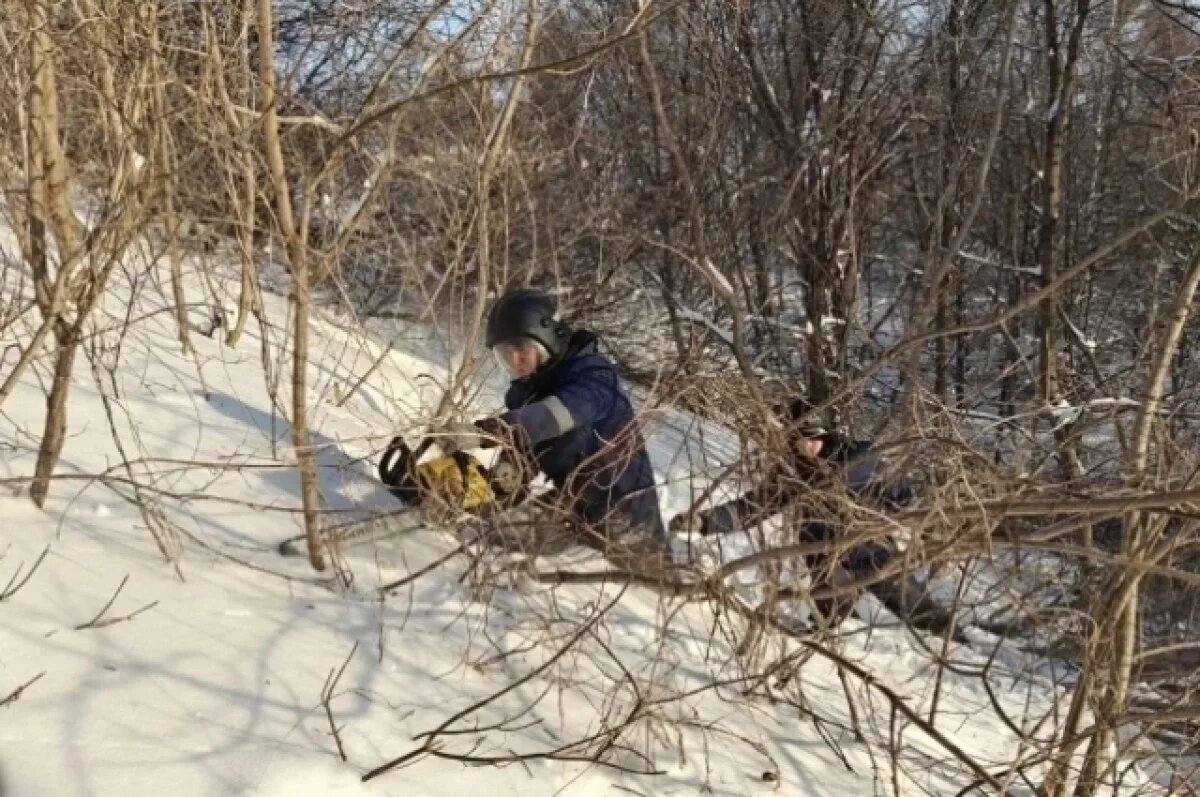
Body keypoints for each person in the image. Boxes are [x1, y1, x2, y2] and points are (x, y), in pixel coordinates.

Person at [437, 288, 666, 561]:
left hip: (629, 528)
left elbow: (563, 414)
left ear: (546, 342)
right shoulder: (529, 396)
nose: (515, 362)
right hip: (575, 515)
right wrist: (450, 483)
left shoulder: (594, 376)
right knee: (486, 533)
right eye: (504, 355)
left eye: (520, 350)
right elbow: (515, 473)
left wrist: (491, 431)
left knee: (494, 539)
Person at [671, 396, 913, 621]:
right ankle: (832, 627)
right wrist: (706, 522)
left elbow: (904, 497)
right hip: (829, 563)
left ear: (823, 435)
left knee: (915, 614)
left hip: (875, 556)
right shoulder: (797, 473)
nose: (803, 446)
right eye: (796, 439)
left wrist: (900, 514)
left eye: (809, 438)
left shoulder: (861, 460)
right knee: (830, 621)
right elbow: (755, 506)